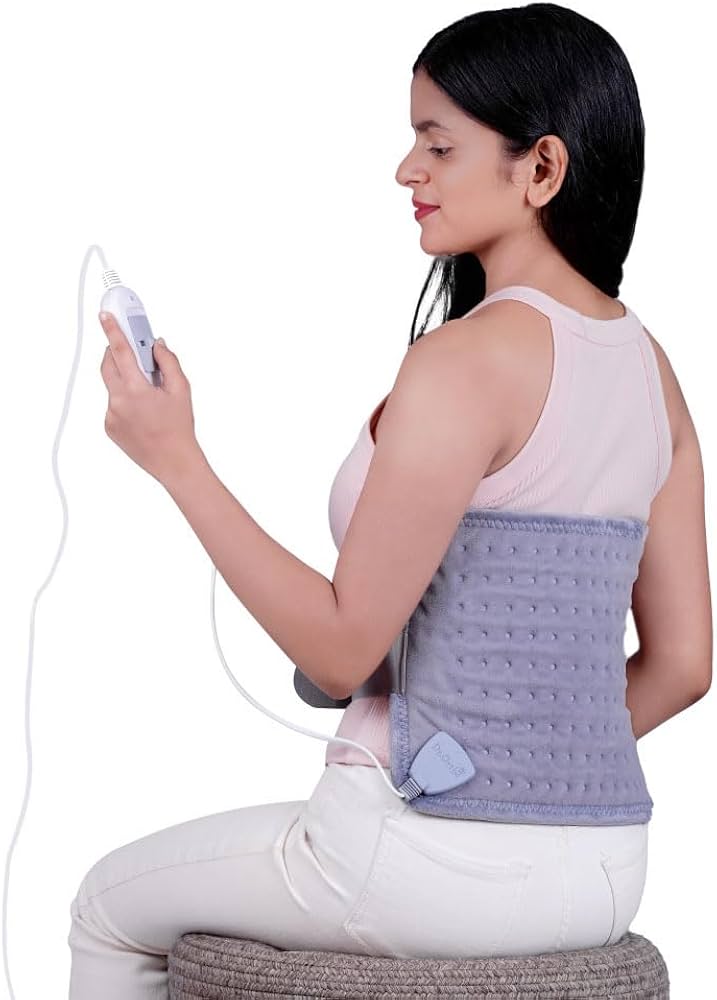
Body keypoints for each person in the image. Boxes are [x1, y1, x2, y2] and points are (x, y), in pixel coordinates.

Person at [67, 4, 711, 997]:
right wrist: (533, 763)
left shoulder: (464, 363)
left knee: (106, 908)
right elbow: (683, 665)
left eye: (439, 145)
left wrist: (176, 459)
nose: (408, 171)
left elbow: (339, 651)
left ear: (541, 168)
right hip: (608, 869)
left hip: (423, 861)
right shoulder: (652, 374)